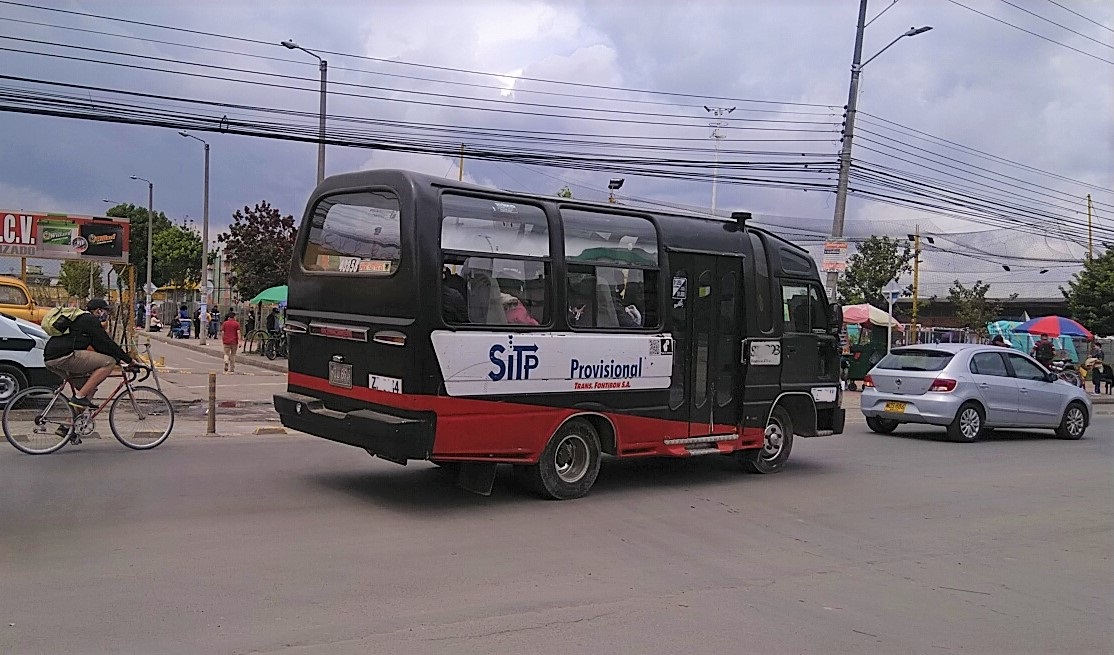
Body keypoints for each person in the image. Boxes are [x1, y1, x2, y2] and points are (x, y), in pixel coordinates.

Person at [43, 298, 136, 409]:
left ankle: (70, 423)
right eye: (106, 311)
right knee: (108, 363)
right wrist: (129, 360)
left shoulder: (82, 320)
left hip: (52, 357)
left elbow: (100, 346)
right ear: (98, 311)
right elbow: (107, 342)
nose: (107, 314)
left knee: (90, 389)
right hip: (64, 356)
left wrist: (119, 359)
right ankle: (79, 397)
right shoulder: (89, 320)